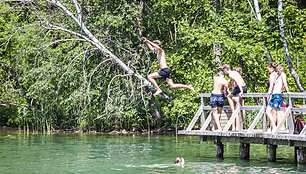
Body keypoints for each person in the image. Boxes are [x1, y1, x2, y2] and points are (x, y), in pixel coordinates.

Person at [222, 64, 247, 131]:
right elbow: (229, 82)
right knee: (241, 105)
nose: (225, 73)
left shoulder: (231, 74)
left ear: (226, 70)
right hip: (244, 87)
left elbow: (237, 82)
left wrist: (241, 91)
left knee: (228, 96)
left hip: (239, 88)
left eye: (225, 71)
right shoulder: (235, 72)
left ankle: (233, 110)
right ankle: (242, 121)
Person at [266, 64, 290, 132]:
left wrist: (287, 91)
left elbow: (285, 83)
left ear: (281, 70)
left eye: (278, 71)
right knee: (267, 111)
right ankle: (274, 126)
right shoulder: (278, 76)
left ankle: (275, 127)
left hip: (277, 95)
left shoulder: (283, 74)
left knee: (273, 111)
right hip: (274, 94)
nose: (277, 72)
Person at [266, 62, 278, 131]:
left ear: (271, 68)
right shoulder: (277, 75)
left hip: (272, 94)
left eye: (268, 68)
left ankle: (273, 126)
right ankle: (272, 127)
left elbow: (271, 86)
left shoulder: (272, 75)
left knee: (268, 111)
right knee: (274, 111)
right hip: (277, 94)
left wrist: (268, 95)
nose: (268, 69)